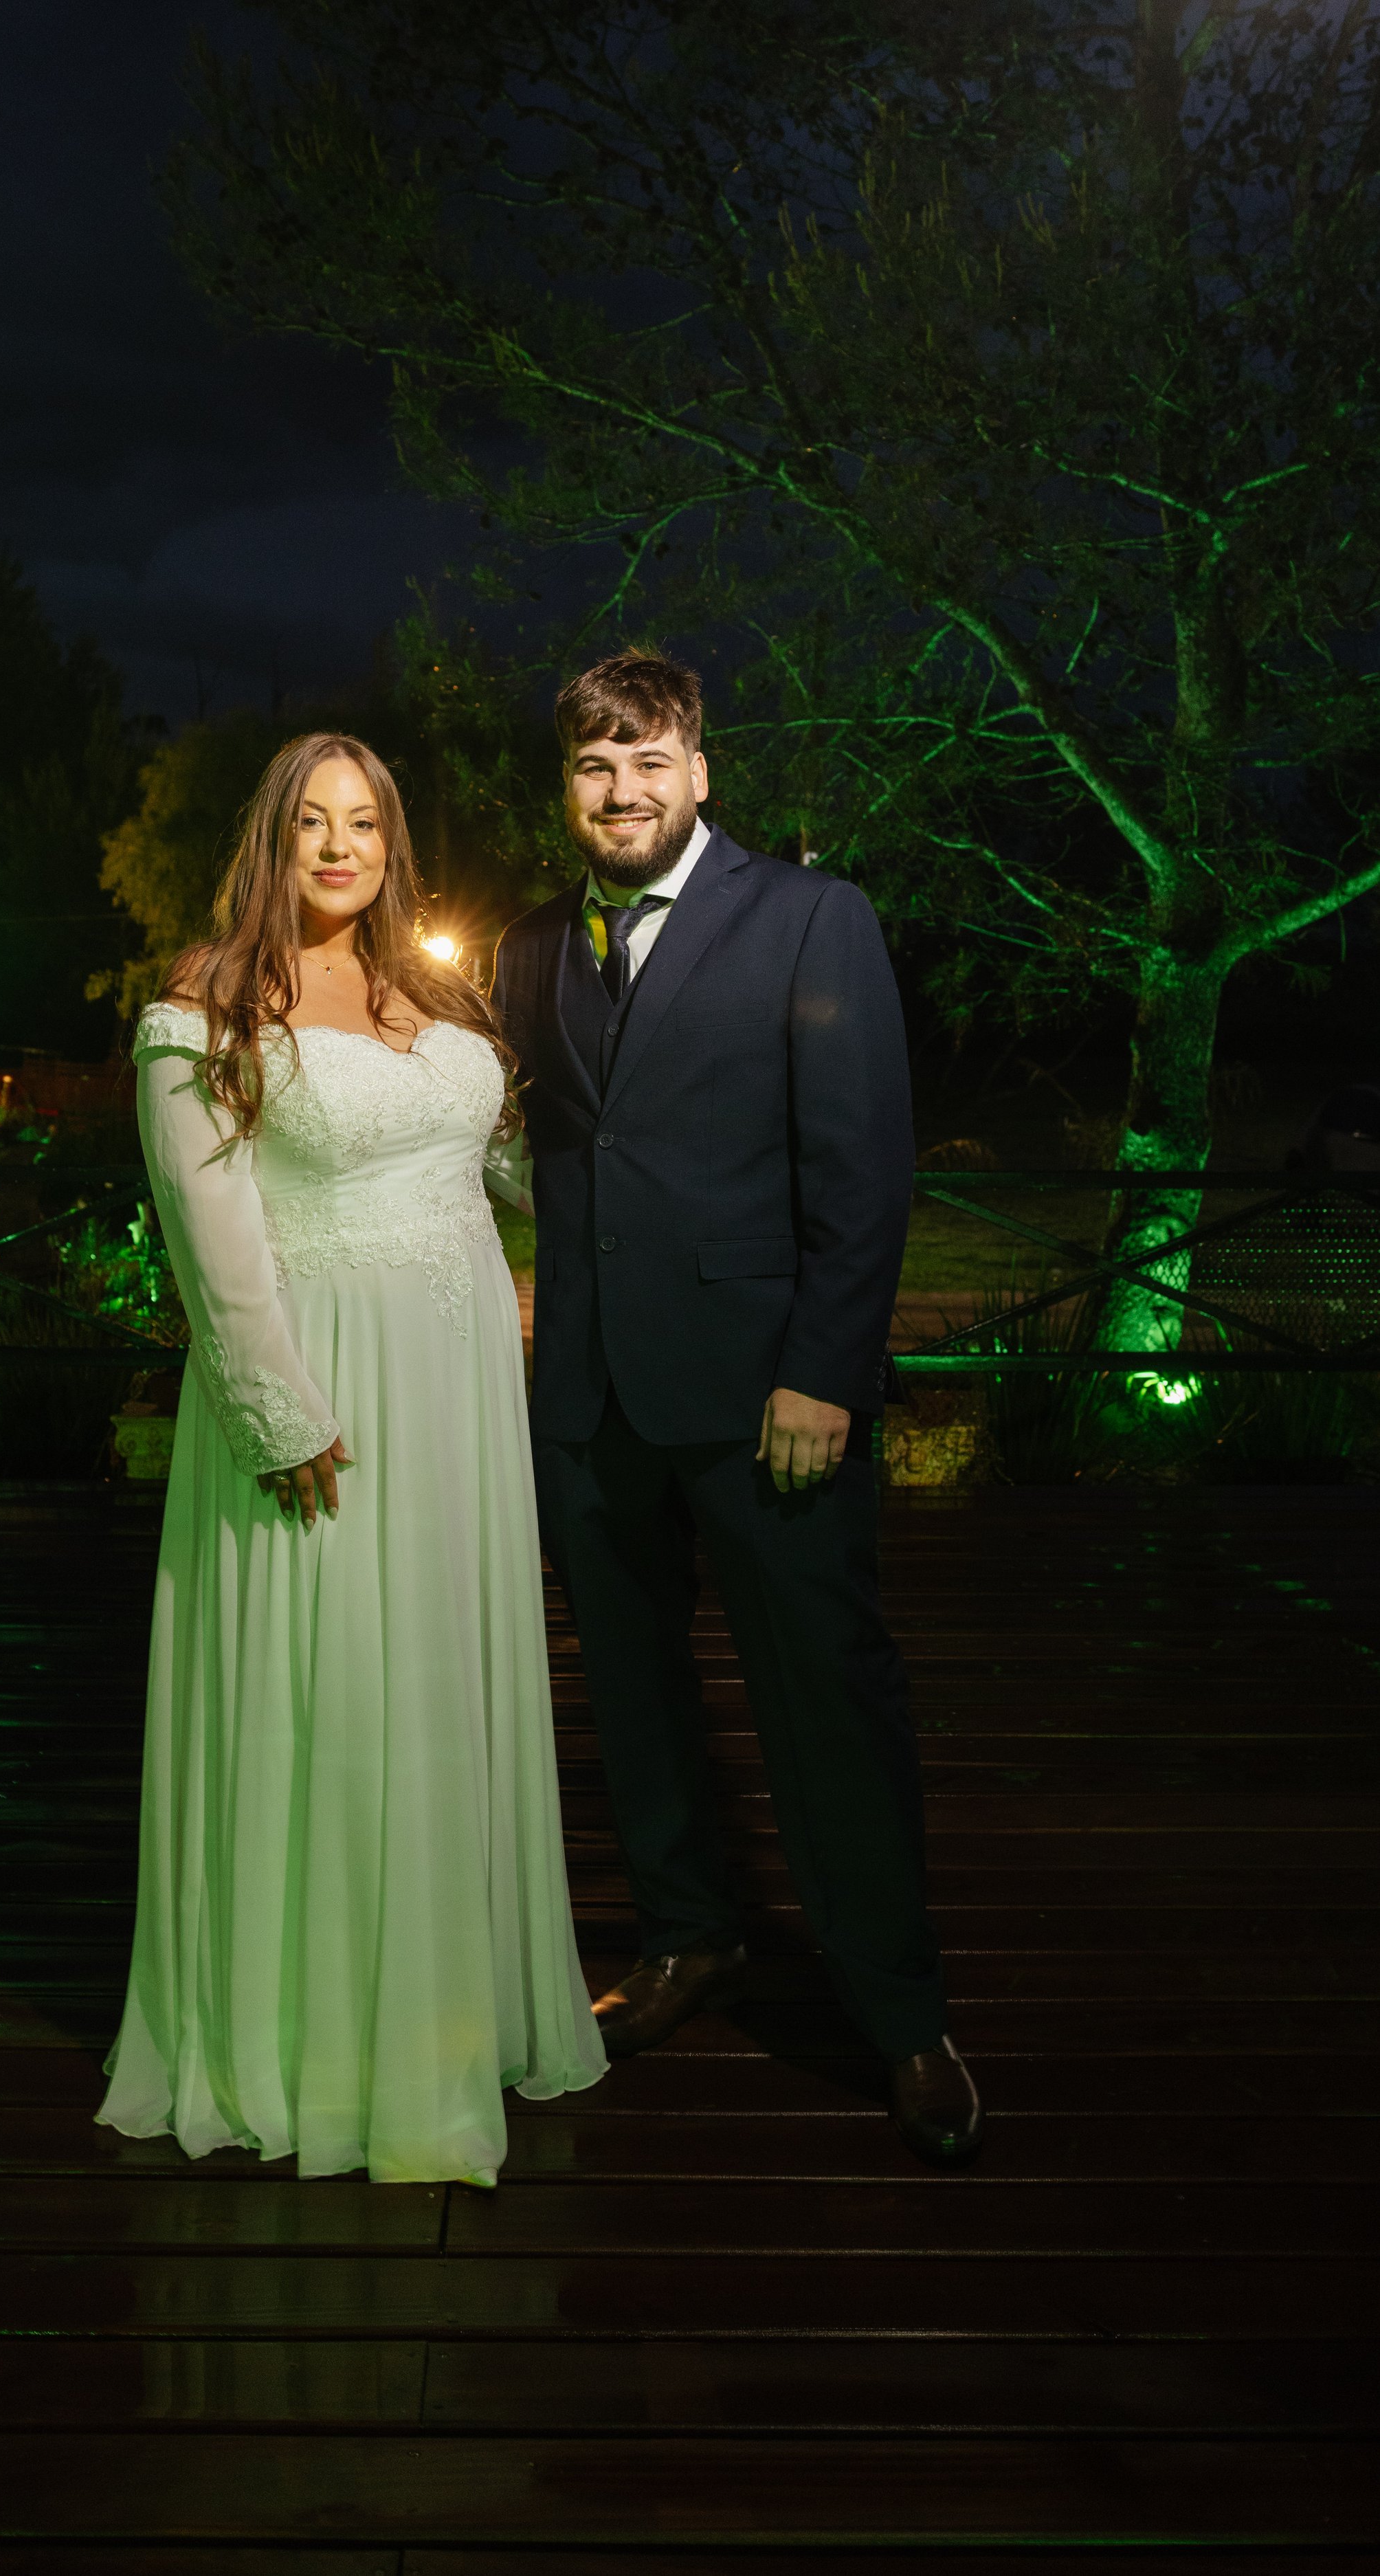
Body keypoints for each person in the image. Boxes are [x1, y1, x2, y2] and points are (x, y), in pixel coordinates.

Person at [491, 652, 981, 2166]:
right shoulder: (529, 945)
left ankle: (901, 2014)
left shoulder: (809, 918)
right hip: (590, 1400)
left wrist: (825, 1370)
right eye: (594, 766)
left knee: (826, 1695)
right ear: (567, 788)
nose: (620, 790)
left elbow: (862, 1165)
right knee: (634, 1695)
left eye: (648, 761)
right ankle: (687, 1937)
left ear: (699, 771)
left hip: (767, 1395)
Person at [98, 732, 605, 2186]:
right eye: (311, 822)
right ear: (272, 840)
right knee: (328, 1685)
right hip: (322, 1385)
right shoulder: (204, 1005)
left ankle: (450, 2011)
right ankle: (313, 2042)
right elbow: (208, 1232)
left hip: (458, 1393)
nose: (339, 846)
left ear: (392, 844)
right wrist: (278, 1410)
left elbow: (508, 1169)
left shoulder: (437, 998)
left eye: (365, 822)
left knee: (438, 1673)